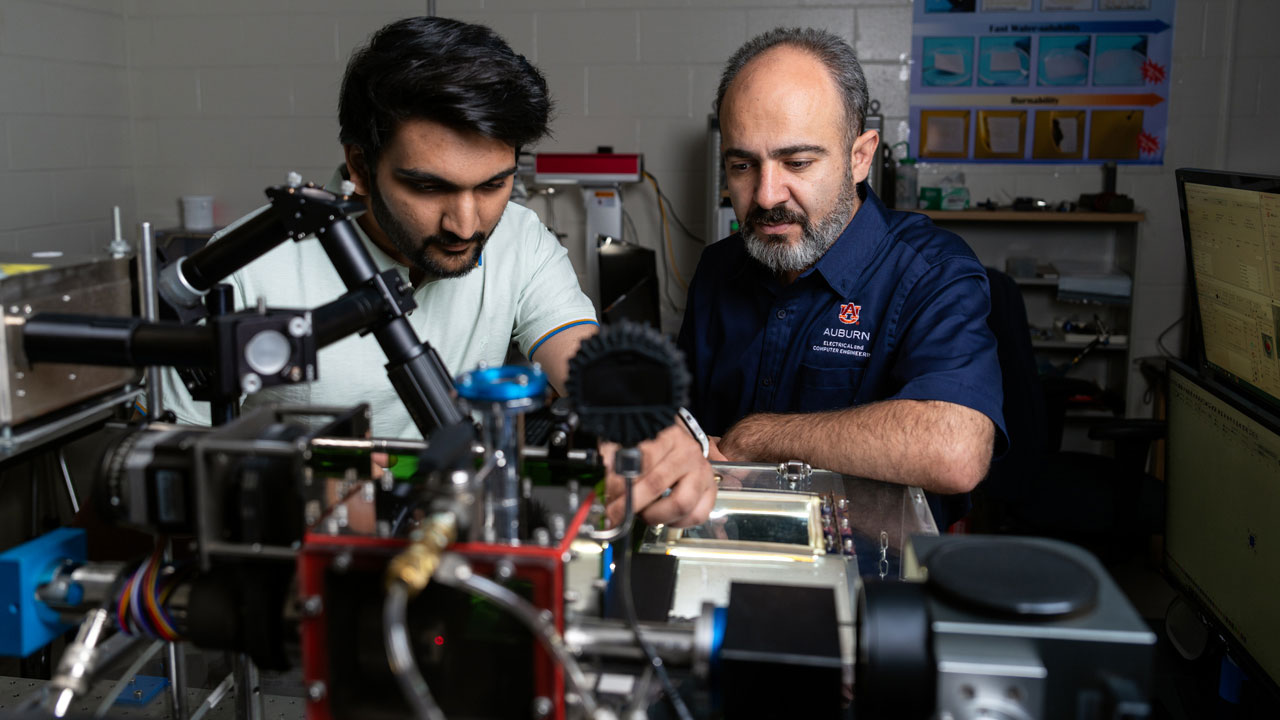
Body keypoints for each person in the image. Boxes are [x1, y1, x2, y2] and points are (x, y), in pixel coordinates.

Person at [162, 16, 714, 528]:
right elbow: (166, 466)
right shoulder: (246, 268)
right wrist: (317, 492)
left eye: (492, 185)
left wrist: (651, 424)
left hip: (452, 541)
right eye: (429, 187)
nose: (466, 224)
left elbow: (584, 355)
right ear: (359, 166)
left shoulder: (519, 238)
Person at [679, 28, 1007, 528]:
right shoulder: (720, 268)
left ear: (860, 156)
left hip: (873, 576)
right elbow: (684, 425)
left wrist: (755, 439)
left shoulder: (931, 274)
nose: (766, 196)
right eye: (743, 165)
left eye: (798, 162)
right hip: (726, 546)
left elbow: (955, 448)